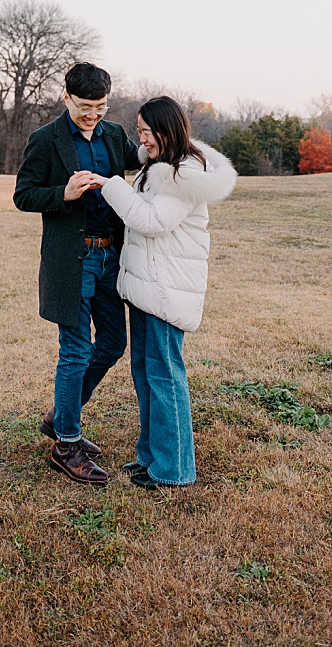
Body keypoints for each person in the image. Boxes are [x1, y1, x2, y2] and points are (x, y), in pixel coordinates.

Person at [89, 96, 236, 489]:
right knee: (145, 373)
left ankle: (174, 470)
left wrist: (111, 185)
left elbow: (152, 221)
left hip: (166, 291)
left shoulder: (182, 174)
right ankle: (150, 457)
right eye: (138, 131)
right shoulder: (161, 164)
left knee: (164, 376)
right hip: (147, 286)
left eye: (146, 132)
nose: (141, 140)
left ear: (166, 131)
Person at [12, 62, 142, 486]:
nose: (92, 115)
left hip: (111, 258)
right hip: (72, 260)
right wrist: (62, 194)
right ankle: (67, 441)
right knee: (75, 350)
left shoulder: (114, 135)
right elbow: (23, 194)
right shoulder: (45, 140)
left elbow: (144, 161)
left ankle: (59, 415)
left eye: (100, 107)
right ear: (65, 97)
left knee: (112, 344)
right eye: (85, 106)